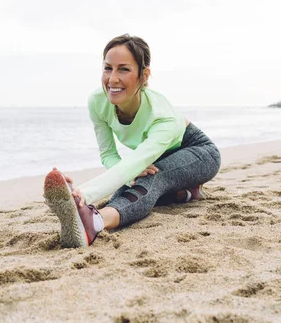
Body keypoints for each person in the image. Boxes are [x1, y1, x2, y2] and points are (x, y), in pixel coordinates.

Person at [43, 34, 221, 247]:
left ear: (144, 75)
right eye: (108, 68)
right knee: (127, 185)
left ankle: (94, 223)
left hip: (198, 152)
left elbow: (134, 163)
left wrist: (82, 194)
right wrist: (125, 179)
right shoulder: (98, 102)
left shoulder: (162, 116)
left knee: (149, 179)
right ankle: (184, 193)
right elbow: (108, 154)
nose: (112, 79)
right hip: (155, 156)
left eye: (124, 69)